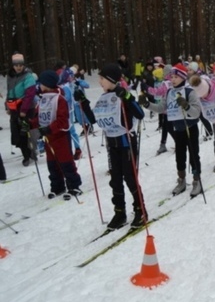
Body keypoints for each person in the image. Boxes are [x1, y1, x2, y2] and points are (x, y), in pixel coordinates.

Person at [87, 63, 147, 230]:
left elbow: (140, 114)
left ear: (111, 80)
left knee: (130, 177)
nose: (99, 82)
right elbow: (93, 119)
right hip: (112, 144)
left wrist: (127, 98)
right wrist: (83, 102)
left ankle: (140, 209)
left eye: (101, 79)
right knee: (115, 180)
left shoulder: (122, 94)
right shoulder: (103, 98)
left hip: (126, 142)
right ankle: (119, 212)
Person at [138, 63, 203, 198]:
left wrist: (186, 105)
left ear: (182, 77)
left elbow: (197, 112)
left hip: (190, 127)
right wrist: (147, 104)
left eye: (175, 77)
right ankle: (181, 180)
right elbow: (161, 108)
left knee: (193, 154)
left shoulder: (189, 91)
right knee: (179, 155)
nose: (172, 80)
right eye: (171, 77)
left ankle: (197, 181)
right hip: (177, 128)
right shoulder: (169, 92)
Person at [28, 70, 82, 199]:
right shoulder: (42, 100)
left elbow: (63, 121)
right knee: (52, 164)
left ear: (46, 84)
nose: (39, 85)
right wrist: (30, 124)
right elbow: (39, 118)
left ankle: (74, 185)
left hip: (60, 137)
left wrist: (49, 129)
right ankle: (57, 186)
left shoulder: (59, 99)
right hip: (49, 138)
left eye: (40, 83)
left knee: (66, 162)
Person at [5, 53, 36, 166]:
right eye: (16, 65)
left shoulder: (28, 76)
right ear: (13, 65)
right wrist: (7, 106)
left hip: (26, 107)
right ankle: (26, 153)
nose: (18, 67)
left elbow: (30, 94)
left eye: (20, 64)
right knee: (16, 133)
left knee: (26, 132)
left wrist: (24, 110)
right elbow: (9, 92)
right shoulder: (10, 76)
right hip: (14, 107)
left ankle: (30, 154)